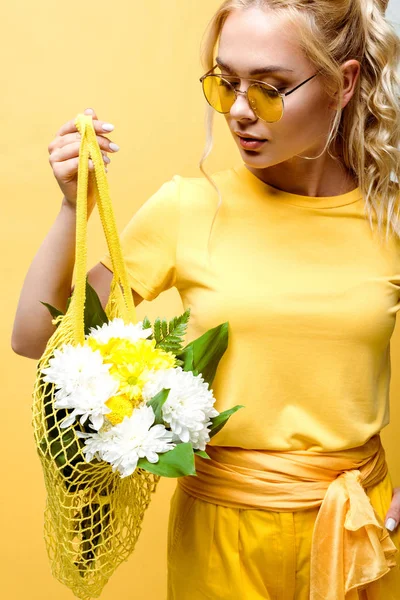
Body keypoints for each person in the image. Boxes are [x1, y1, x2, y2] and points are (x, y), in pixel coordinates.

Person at [11, 0, 400, 598]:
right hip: (222, 538)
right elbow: (35, 338)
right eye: (226, 83)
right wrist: (73, 207)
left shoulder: (389, 217)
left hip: (358, 528)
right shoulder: (186, 208)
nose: (239, 112)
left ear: (343, 83)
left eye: (270, 89)